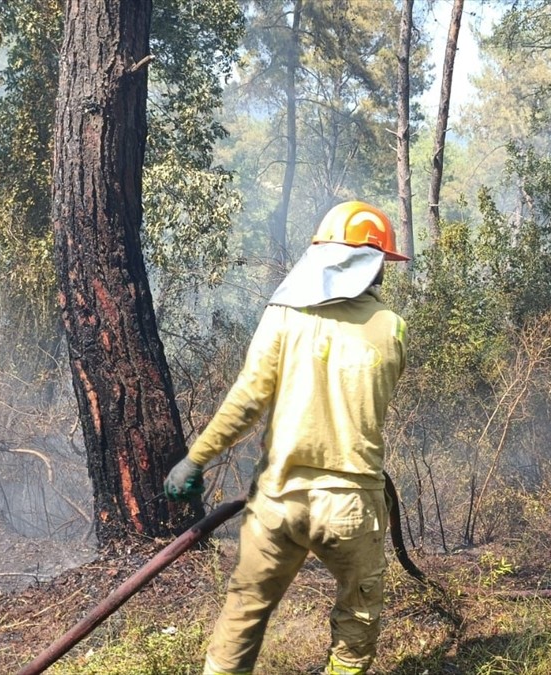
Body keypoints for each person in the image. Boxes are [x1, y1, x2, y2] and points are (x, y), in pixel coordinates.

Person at [164, 201, 410, 675]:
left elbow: (247, 399)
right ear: (377, 263)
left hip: (278, 499)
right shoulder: (392, 328)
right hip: (352, 505)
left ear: (320, 255)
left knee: (244, 611)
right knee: (356, 616)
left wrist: (194, 460)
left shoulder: (282, 315)